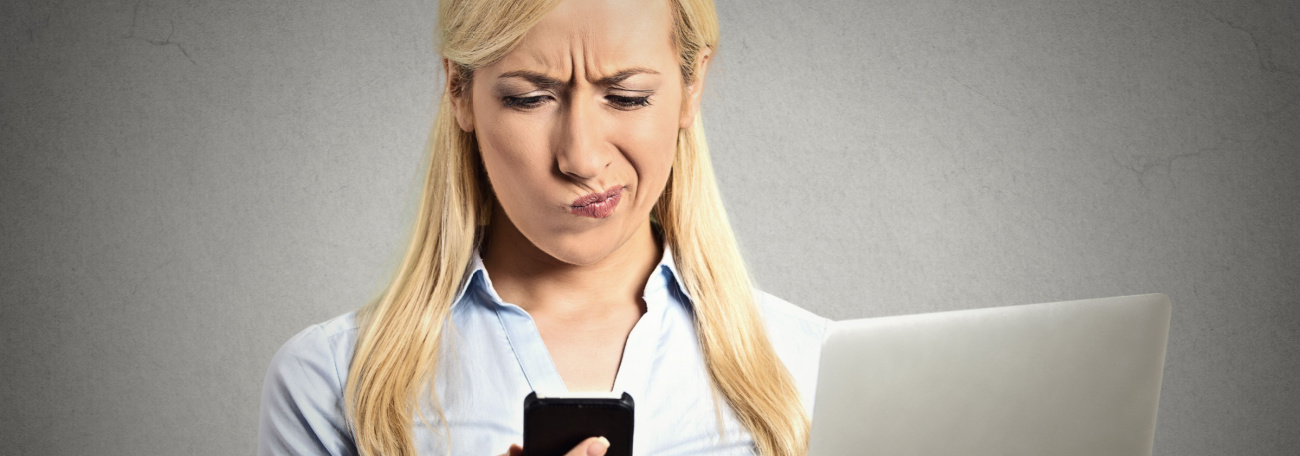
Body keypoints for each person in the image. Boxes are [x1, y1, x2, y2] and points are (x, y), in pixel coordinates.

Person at [258, 0, 828, 454]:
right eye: (530, 99)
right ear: (459, 89)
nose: (580, 158)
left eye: (627, 98)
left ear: (691, 86)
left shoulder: (816, 372)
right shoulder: (332, 384)